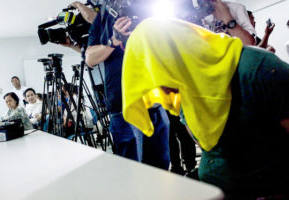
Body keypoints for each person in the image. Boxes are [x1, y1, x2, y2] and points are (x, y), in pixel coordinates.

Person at [121, 18, 289, 198]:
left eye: (160, 73)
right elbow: (203, 142)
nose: (162, 90)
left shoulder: (258, 68)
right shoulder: (185, 84)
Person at [85, 9, 170, 169]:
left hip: (156, 103)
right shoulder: (103, 18)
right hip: (124, 107)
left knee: (162, 168)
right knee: (133, 170)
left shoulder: (146, 8)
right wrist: (114, 40)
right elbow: (90, 58)